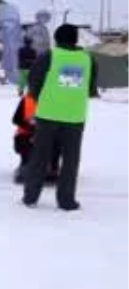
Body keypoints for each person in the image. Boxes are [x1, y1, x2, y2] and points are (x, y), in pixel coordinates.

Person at [21, 23, 99, 211]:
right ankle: (66, 200)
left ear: (56, 39)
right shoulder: (88, 60)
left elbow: (34, 85)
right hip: (74, 118)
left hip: (47, 116)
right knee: (70, 161)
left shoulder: (49, 56)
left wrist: (31, 111)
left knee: (39, 158)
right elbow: (90, 90)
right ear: (76, 39)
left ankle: (30, 196)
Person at [11, 93, 59, 184]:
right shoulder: (27, 99)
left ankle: (52, 167)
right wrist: (33, 130)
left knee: (56, 143)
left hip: (48, 135)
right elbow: (16, 119)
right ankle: (26, 164)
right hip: (26, 135)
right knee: (26, 145)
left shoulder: (55, 100)